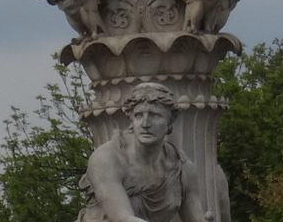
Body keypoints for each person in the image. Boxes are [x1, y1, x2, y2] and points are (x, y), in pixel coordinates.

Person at [79, 82, 212, 222]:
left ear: (170, 122)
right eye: (138, 116)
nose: (145, 124)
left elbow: (195, 219)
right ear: (131, 120)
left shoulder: (183, 168)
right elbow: (123, 218)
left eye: (155, 115)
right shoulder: (106, 158)